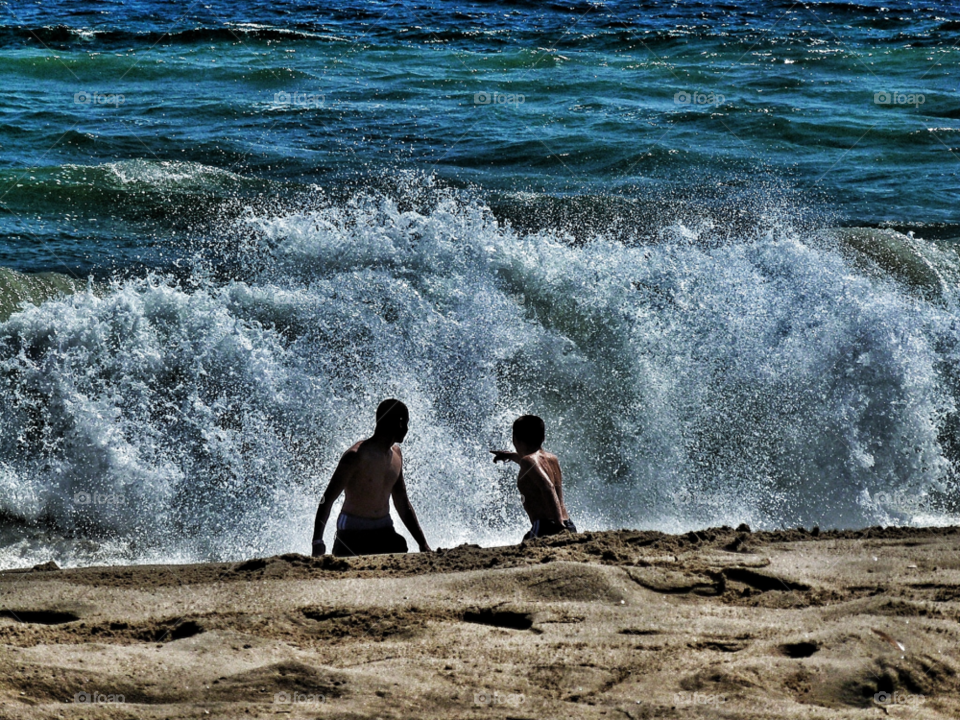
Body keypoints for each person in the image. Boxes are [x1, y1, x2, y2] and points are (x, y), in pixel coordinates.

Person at [312, 399, 431, 557]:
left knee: (399, 545)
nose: (407, 429)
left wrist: (422, 543)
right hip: (352, 533)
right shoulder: (355, 456)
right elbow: (327, 499)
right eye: (406, 423)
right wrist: (317, 541)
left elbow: (402, 502)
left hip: (384, 530)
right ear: (400, 423)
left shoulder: (396, 455)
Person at [491, 414, 576, 541]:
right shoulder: (552, 458)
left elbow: (548, 487)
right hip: (568, 523)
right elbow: (533, 466)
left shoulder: (527, 461)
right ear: (543, 437)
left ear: (515, 439)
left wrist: (558, 524)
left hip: (547, 527)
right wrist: (511, 456)